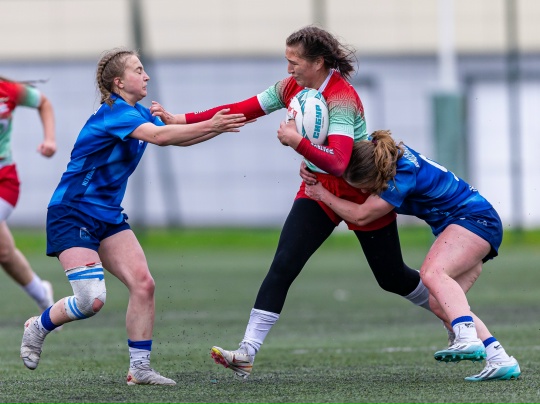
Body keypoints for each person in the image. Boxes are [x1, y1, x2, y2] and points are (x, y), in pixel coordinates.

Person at [150, 25, 437, 379]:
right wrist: (180, 119)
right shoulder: (290, 87)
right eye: (287, 61)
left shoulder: (342, 98)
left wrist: (296, 141)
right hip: (317, 188)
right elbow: (243, 109)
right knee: (284, 263)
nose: (288, 69)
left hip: (359, 190)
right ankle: (246, 352)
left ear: (318, 62)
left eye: (294, 62)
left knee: (391, 277)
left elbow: (340, 162)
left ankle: (456, 317)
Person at [19, 48, 247, 386]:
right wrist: (212, 124)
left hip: (108, 216)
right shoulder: (115, 114)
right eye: (138, 70)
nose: (146, 76)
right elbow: (160, 136)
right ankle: (38, 326)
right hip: (73, 211)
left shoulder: (137, 113)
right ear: (119, 82)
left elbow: (174, 139)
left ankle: (139, 369)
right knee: (91, 300)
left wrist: (218, 127)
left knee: (143, 284)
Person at [304, 129, 521, 382]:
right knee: (439, 304)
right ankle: (499, 358)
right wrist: (312, 164)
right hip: (470, 223)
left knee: (432, 273)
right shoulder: (380, 156)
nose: (364, 193)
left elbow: (361, 216)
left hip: (475, 220)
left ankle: (466, 336)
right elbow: (340, 155)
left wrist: (322, 194)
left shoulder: (401, 176)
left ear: (376, 178)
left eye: (366, 188)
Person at [0, 76, 57, 314]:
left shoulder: (8, 91)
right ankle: (43, 296)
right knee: (4, 253)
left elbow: (43, 102)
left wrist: (49, 140)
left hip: (4, 181)